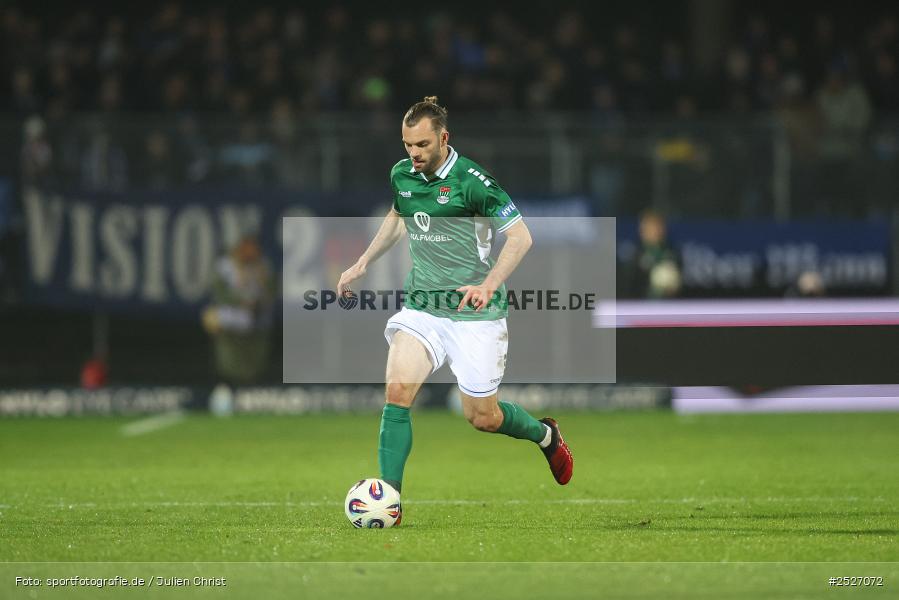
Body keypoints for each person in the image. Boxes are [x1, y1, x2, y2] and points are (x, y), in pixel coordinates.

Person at [337, 96, 573, 496]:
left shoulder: (472, 182)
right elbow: (399, 215)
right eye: (407, 145)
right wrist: (362, 262)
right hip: (423, 308)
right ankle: (389, 497)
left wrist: (488, 284)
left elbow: (520, 236)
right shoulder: (402, 175)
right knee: (397, 392)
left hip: (474, 314)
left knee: (483, 417)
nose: (414, 154)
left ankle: (544, 435)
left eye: (422, 145)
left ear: (443, 138)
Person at [202, 235, 276, 385]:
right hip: (233, 313)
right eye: (246, 249)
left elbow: (272, 292)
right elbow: (218, 294)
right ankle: (226, 382)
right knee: (212, 318)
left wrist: (258, 301)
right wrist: (239, 302)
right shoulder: (225, 266)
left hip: (256, 315)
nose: (249, 253)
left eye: (253, 250)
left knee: (255, 358)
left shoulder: (263, 266)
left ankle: (254, 381)